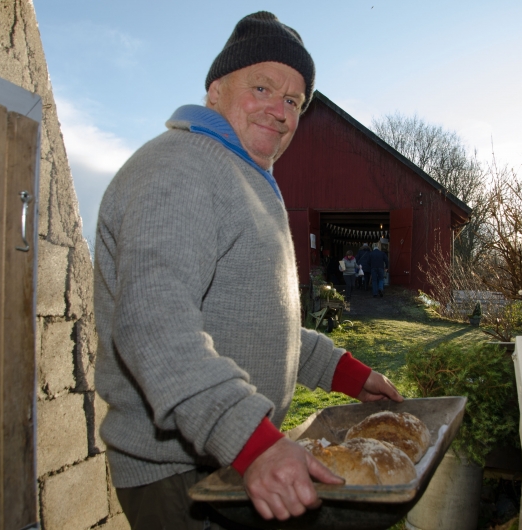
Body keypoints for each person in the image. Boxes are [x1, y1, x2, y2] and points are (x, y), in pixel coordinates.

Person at [93, 12, 403, 530]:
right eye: (262, 87)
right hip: (180, 472)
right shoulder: (181, 166)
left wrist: (347, 373)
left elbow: (256, 323)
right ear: (215, 89)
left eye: (293, 102)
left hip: (227, 454)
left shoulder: (246, 179)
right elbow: (152, 323)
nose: (279, 111)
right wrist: (250, 440)